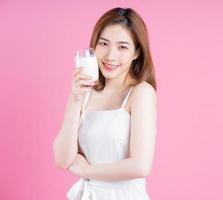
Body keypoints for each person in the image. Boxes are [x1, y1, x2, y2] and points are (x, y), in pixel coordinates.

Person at [52, 7, 157, 200]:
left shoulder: (141, 93)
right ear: (94, 46)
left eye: (122, 47)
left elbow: (141, 165)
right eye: (104, 44)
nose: (110, 56)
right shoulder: (84, 92)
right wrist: (75, 99)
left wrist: (86, 170)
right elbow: (61, 158)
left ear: (136, 52)